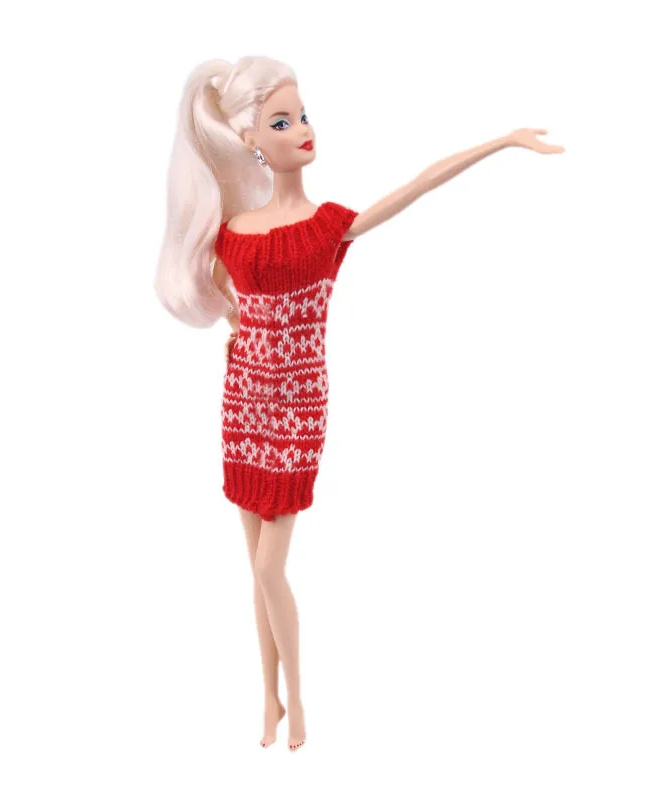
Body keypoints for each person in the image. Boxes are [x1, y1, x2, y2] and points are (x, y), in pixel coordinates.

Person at [154, 55, 564, 751]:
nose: (302, 129)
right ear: (252, 140)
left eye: (302, 115)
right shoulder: (234, 230)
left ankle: (298, 700)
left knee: (269, 567)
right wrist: (240, 330)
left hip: (298, 410)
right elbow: (230, 298)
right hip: (244, 404)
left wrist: (500, 142)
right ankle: (267, 700)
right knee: (254, 567)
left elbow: (417, 185)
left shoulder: (327, 227)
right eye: (282, 122)